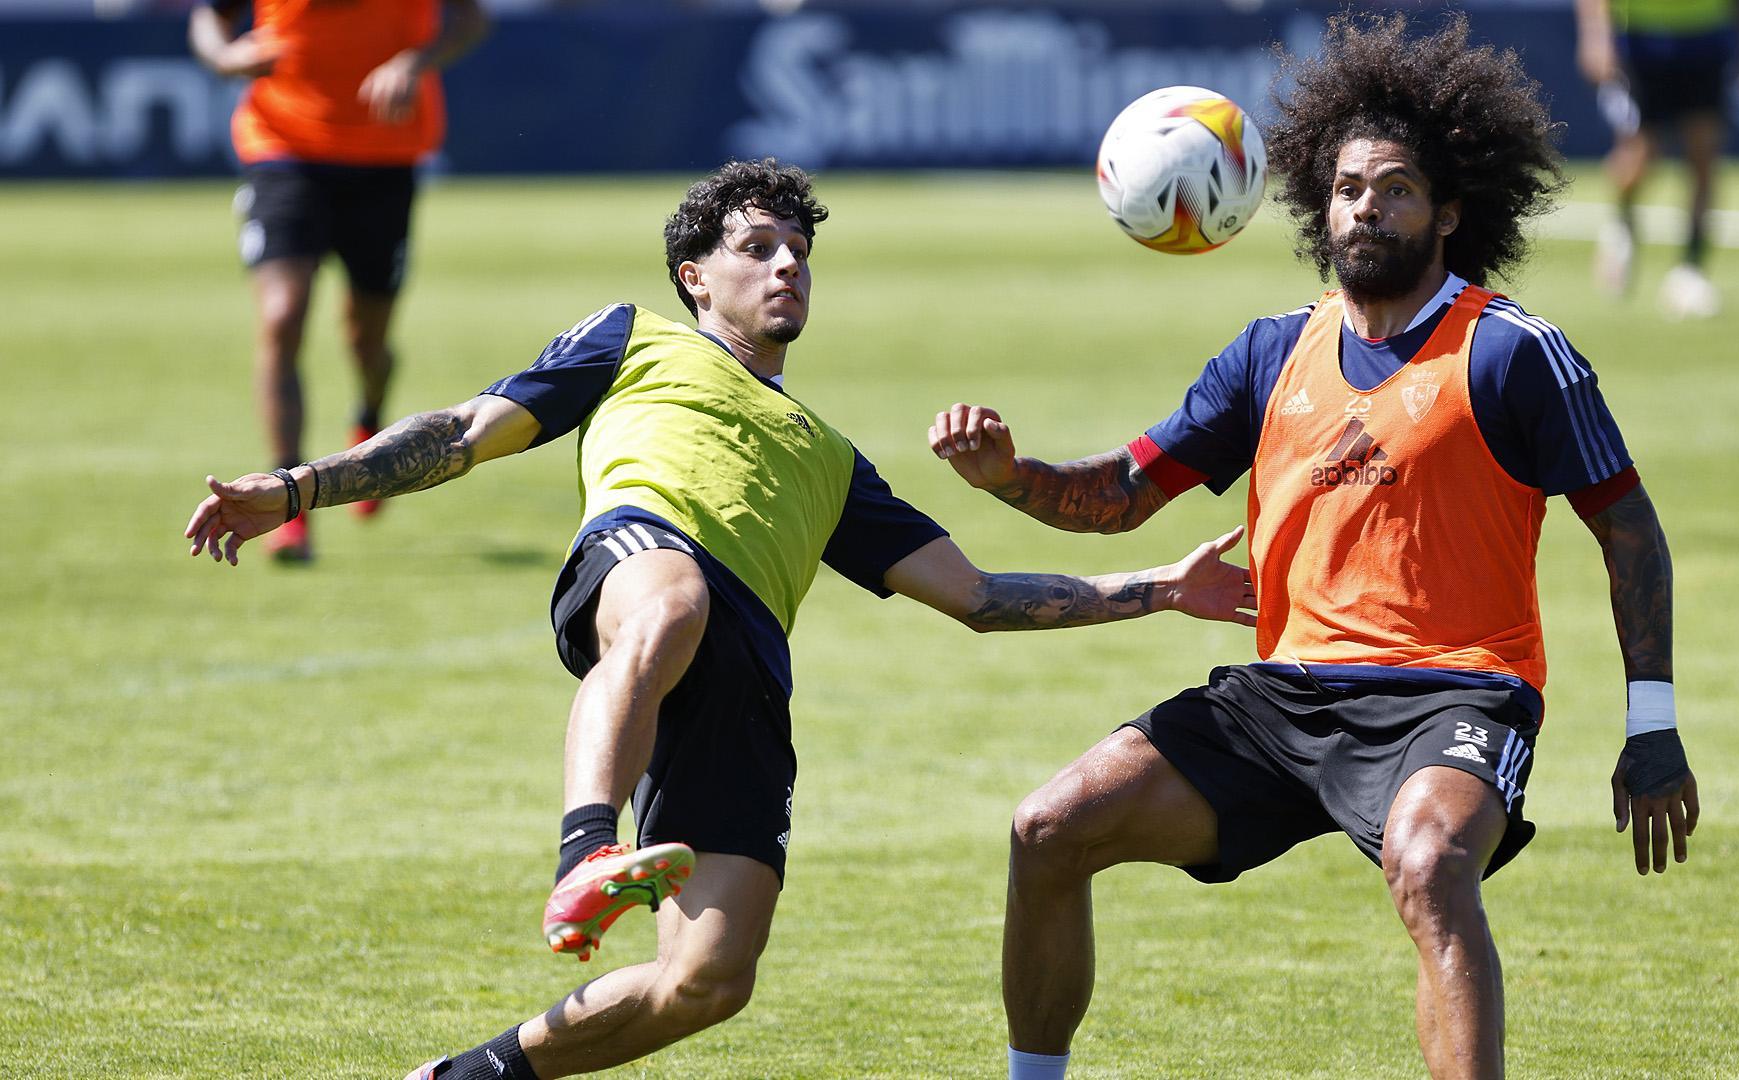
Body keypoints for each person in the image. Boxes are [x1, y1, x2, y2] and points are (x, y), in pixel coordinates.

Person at [184, 160, 1257, 1080]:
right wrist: (297, 487)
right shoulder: (632, 339)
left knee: (709, 981)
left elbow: (976, 597)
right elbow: (463, 431)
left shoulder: (834, 459)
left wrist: (1160, 587)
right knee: (674, 599)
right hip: (643, 564)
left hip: (745, 679)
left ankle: (470, 1072)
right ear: (697, 276)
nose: (788, 264)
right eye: (759, 247)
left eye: (800, 250)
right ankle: (583, 853)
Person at [928, 15, 1698, 1079]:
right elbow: (1120, 495)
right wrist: (1010, 477)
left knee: (1429, 868)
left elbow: (1627, 525)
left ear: (1450, 211)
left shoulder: (1512, 350)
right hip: (1281, 699)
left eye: (1394, 188)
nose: (1366, 208)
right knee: (1047, 828)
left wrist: (1650, 724)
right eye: (1347, 189)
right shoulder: (1272, 351)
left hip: (1455, 695)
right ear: (1313, 202)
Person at [189, 0, 489, 560]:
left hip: (384, 155)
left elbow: (470, 19)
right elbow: (211, 17)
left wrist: (414, 62)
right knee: (281, 318)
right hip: (283, 149)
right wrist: (226, 57)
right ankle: (285, 503)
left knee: (366, 341)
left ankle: (368, 421)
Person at [1575, 0, 1739, 318]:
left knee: (1704, 158)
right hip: (1640, 43)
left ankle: (1690, 269)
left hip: (1707, 41)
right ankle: (1622, 222)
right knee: (1641, 155)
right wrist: (1596, 36)